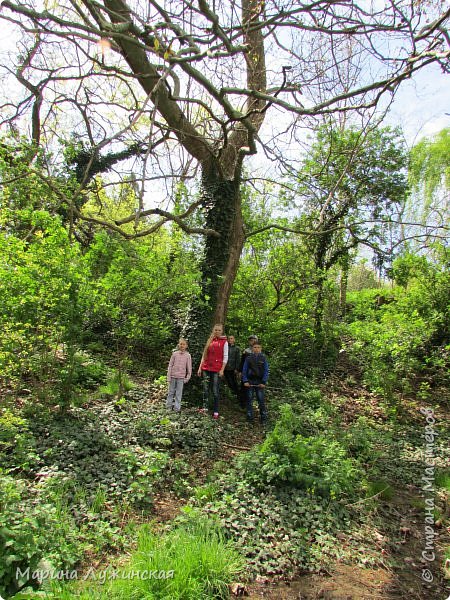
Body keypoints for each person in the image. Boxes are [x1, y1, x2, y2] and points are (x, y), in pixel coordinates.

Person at [197, 324, 228, 419]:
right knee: (205, 389)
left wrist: (222, 370)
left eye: (219, 330)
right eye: (216, 330)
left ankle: (216, 411)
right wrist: (200, 367)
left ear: (221, 331)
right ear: (213, 330)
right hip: (206, 368)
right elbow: (204, 355)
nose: (217, 331)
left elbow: (225, 357)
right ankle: (205, 408)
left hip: (216, 369)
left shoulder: (224, 342)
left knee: (215, 391)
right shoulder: (209, 340)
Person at [242, 341, 269, 425]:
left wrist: (263, 382)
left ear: (261, 349)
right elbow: (244, 370)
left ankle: (263, 418)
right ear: (252, 349)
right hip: (250, 381)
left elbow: (266, 370)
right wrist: (245, 380)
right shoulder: (248, 358)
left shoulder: (263, 358)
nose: (256, 349)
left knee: (261, 400)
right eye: (255, 347)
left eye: (258, 347)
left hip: (260, 382)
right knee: (249, 399)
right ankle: (250, 418)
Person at [166, 338, 192, 412]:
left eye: (184, 344)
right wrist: (168, 377)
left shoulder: (188, 355)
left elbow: (189, 368)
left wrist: (187, 378)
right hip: (173, 376)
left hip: (181, 378)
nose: (182, 345)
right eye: (181, 344)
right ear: (178, 345)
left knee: (178, 393)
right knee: (170, 392)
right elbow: (170, 365)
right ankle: (168, 407)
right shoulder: (174, 354)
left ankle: (177, 408)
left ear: (186, 346)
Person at [238, 334, 258, 408]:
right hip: (245, 373)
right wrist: (240, 371)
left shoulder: (259, 351)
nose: (252, 342)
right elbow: (242, 362)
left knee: (253, 389)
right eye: (250, 340)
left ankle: (250, 404)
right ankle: (242, 404)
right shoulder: (246, 351)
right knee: (243, 388)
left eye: (253, 340)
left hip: (255, 374)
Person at [224, 335, 241, 402]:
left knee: (234, 382)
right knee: (228, 382)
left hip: (232, 369)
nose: (230, 340)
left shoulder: (237, 348)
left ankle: (237, 395)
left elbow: (238, 359)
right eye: (229, 338)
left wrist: (237, 368)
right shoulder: (225, 347)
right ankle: (231, 395)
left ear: (234, 340)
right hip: (225, 368)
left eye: (231, 338)